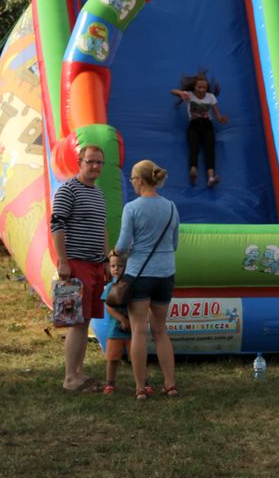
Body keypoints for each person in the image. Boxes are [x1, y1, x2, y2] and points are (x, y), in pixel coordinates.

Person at [114, 160, 180, 400]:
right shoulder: (171, 207)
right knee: (161, 331)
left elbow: (122, 246)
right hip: (165, 274)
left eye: (132, 179)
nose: (131, 183)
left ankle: (141, 388)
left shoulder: (131, 208)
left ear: (140, 181)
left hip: (139, 274)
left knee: (139, 331)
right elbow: (174, 244)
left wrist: (114, 254)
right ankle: (170, 384)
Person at [50, 145, 108, 392]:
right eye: (90, 161)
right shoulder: (68, 190)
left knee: (85, 321)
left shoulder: (98, 193)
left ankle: (79, 372)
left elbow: (102, 228)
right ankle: (70, 378)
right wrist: (63, 260)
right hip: (76, 262)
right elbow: (57, 225)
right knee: (76, 321)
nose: (95, 166)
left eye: (99, 163)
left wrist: (105, 259)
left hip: (96, 264)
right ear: (79, 162)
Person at [171, 72, 228, 187]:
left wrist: (221, 119)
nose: (202, 90)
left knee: (209, 150)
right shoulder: (190, 95)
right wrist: (182, 93)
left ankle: (211, 177)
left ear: (207, 88)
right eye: (199, 87)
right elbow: (172, 91)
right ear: (195, 87)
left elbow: (217, 115)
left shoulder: (210, 97)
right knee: (194, 148)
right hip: (194, 125)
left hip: (207, 126)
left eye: (204, 87)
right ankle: (193, 170)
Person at [101, 250, 132, 395]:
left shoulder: (131, 285)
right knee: (112, 358)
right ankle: (110, 384)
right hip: (115, 329)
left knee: (137, 356)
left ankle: (144, 382)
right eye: (113, 266)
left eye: (120, 266)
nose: (116, 269)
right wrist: (122, 319)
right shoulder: (110, 287)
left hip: (132, 329)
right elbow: (108, 306)